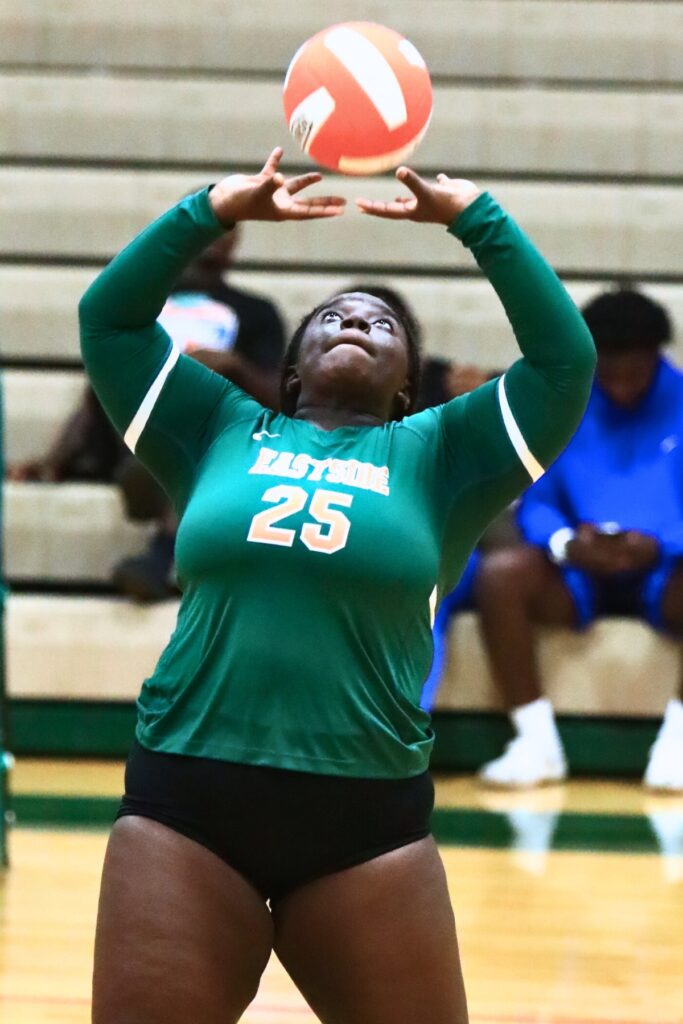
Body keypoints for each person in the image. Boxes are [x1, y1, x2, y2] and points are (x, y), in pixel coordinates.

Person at [79, 147, 595, 1024]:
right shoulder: (215, 425)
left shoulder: (444, 453)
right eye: (332, 316)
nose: (356, 319)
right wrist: (212, 210)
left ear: (406, 387)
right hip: (187, 803)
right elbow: (111, 320)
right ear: (290, 371)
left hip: (365, 821)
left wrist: (478, 221)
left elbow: (561, 363)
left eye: (382, 323)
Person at [476, 287, 683, 792]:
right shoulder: (565, 402)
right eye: (608, 375)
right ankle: (535, 743)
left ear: (656, 355)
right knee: (499, 576)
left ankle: (678, 745)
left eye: (634, 375)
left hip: (668, 570)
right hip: (579, 570)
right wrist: (566, 544)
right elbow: (537, 503)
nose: (621, 388)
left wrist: (662, 544)